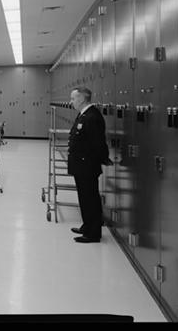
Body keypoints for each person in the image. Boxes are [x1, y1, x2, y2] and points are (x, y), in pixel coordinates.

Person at [67, 87, 111, 243]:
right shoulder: (84, 114)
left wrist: (98, 160)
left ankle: (93, 233)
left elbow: (97, 143)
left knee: (90, 198)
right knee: (84, 197)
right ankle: (87, 226)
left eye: (73, 98)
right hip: (81, 164)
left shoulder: (92, 117)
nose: (71, 102)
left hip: (87, 165)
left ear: (81, 99)